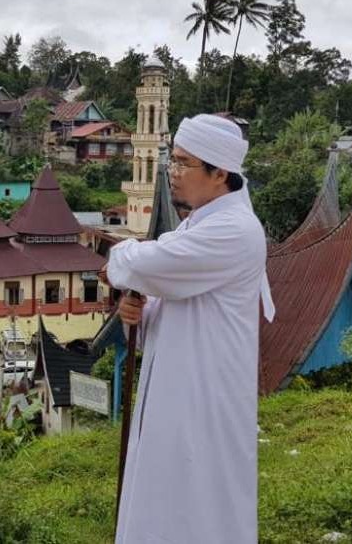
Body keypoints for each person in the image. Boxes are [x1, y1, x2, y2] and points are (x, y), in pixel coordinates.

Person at [106, 114, 274, 544]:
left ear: (220, 174)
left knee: (201, 500)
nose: (173, 174)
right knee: (166, 496)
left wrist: (127, 252)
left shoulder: (231, 231)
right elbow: (167, 300)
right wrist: (140, 314)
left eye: (183, 164)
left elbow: (133, 264)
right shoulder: (196, 225)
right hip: (176, 387)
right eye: (171, 162)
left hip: (204, 393)